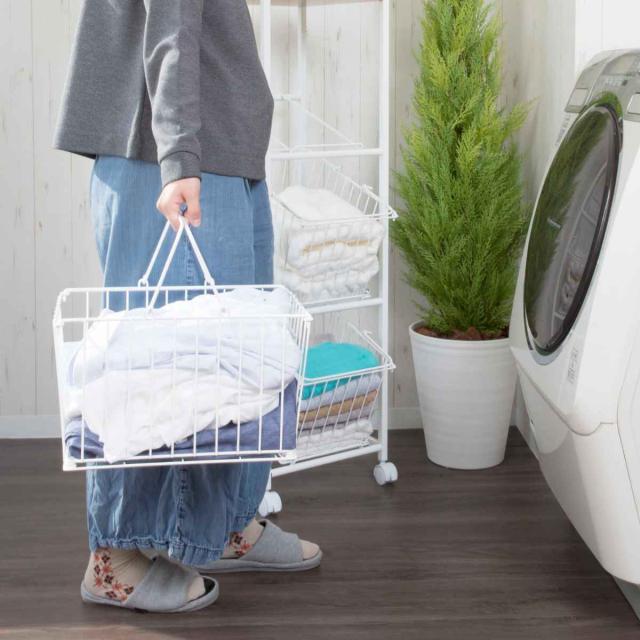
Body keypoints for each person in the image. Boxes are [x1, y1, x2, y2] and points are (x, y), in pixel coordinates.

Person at [54, 0, 321, 614]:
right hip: (172, 148)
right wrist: (178, 155)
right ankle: (115, 558)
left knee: (231, 359)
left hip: (213, 143)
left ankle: (224, 525)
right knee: (159, 366)